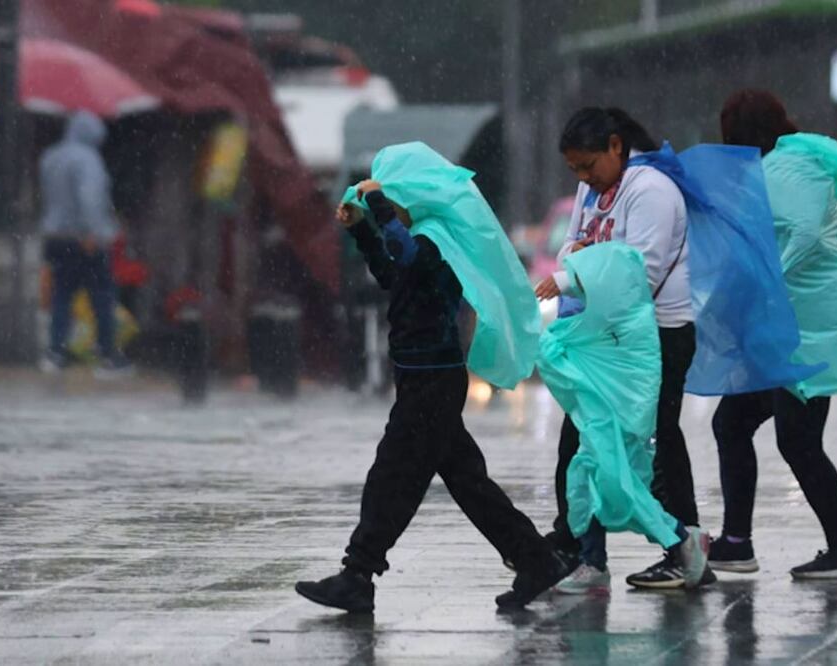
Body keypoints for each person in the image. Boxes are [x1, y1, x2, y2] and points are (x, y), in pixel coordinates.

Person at [295, 144, 570, 614]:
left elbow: (408, 255)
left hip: (433, 381)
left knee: (391, 476)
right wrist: (361, 228)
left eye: (392, 199)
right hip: (421, 378)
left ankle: (358, 572)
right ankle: (536, 559)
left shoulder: (438, 240)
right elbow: (392, 273)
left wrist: (376, 204)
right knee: (467, 482)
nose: (386, 209)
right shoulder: (421, 237)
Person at [534, 107, 710, 590]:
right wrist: (583, 265)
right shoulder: (592, 190)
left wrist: (579, 270)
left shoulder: (651, 190)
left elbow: (641, 273)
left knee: (654, 439)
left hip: (659, 334)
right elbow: (570, 248)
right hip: (605, 332)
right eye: (574, 169)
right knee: (582, 437)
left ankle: (685, 545)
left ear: (616, 146)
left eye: (588, 165)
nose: (583, 178)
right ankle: (580, 548)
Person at [707, 90, 837, 579]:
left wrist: (768, 279)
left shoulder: (796, 165)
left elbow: (803, 233)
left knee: (798, 440)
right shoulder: (779, 165)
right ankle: (736, 543)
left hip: (807, 333)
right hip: (784, 331)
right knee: (733, 423)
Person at [537, 243, 706, 595]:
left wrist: (566, 278)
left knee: (618, 488)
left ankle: (681, 539)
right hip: (602, 420)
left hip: (623, 421)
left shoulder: (626, 322)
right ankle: (593, 560)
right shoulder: (611, 319)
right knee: (587, 477)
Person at [38, 111, 132, 378]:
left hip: (55, 236)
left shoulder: (51, 156)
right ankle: (107, 354)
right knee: (102, 295)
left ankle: (55, 352)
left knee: (61, 294)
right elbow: (89, 197)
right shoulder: (88, 159)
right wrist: (93, 232)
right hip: (83, 238)